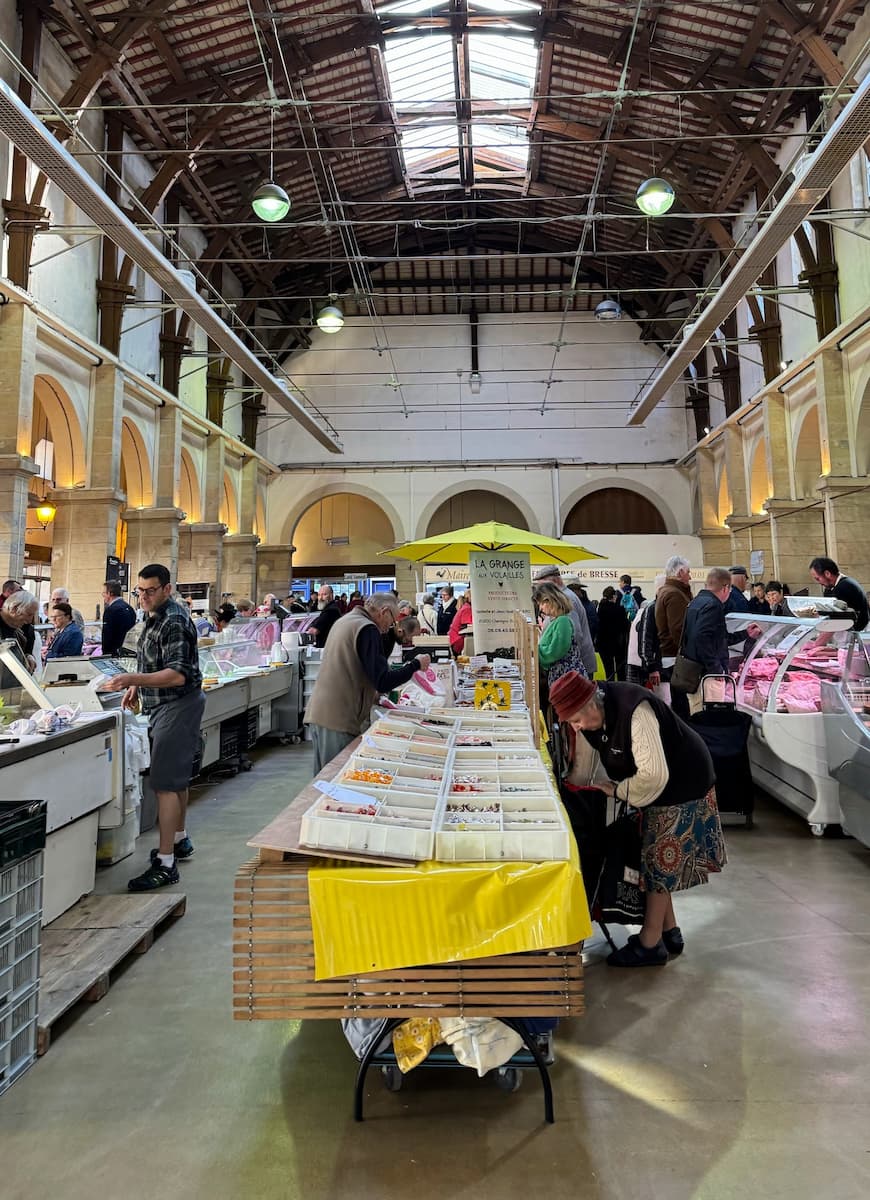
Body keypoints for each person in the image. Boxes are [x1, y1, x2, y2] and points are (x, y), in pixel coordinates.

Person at [550, 670, 726, 966]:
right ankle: (669, 930)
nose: (577, 728)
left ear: (593, 705)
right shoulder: (595, 714)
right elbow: (586, 768)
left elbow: (654, 774)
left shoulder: (635, 710)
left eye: (578, 720)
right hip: (659, 782)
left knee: (660, 862)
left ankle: (650, 944)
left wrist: (619, 791)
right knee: (651, 853)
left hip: (684, 779)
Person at [101, 564, 205, 891]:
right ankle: (179, 838)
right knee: (176, 779)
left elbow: (177, 674)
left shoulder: (174, 620)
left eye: (150, 591)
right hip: (164, 703)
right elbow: (156, 663)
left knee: (164, 784)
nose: (143, 596)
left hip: (178, 704)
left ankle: (165, 862)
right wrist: (139, 688)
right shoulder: (154, 616)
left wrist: (131, 679)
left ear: (167, 589)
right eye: (139, 591)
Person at [304, 594, 432, 773]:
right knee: (336, 778)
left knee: (323, 778)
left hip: (320, 712)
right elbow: (383, 681)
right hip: (339, 717)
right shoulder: (367, 629)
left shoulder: (347, 620)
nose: (390, 627)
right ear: (384, 612)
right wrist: (415, 665)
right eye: (392, 620)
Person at [679, 567, 732, 713]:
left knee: (697, 715)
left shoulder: (696, 602)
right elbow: (701, 637)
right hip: (707, 676)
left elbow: (716, 637)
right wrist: (716, 668)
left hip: (692, 673)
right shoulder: (713, 605)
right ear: (726, 587)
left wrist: (745, 634)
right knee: (710, 719)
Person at [532, 565, 596, 676]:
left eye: (543, 585)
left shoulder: (566, 600)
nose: (540, 590)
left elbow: (575, 635)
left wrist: (538, 652)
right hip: (567, 671)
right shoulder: (560, 606)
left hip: (569, 674)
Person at [655, 555, 693, 718]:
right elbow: (678, 629)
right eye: (688, 572)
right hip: (674, 656)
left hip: (669, 654)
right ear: (681, 572)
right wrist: (689, 653)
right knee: (680, 703)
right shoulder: (675, 594)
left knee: (677, 700)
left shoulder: (667, 590)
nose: (690, 576)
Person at [533, 582, 588, 685]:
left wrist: (534, 651)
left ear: (550, 600)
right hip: (564, 676)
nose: (540, 608)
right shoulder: (558, 620)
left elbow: (554, 652)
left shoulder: (562, 622)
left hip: (567, 679)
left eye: (541, 603)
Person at [626, 574, 665, 688]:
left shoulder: (644, 612)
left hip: (638, 661)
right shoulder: (652, 610)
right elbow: (645, 640)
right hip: (643, 664)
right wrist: (652, 666)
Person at [808, 556, 869, 631]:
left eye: (818, 578)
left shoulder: (845, 586)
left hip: (857, 630)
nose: (819, 582)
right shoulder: (832, 587)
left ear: (827, 573)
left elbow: (838, 620)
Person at [0, 589, 40, 672]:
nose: (29, 620)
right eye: (29, 614)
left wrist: (28, 657)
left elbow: (25, 651)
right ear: (14, 608)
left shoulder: (22, 631)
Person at [595, 586, 629, 681]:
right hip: (618, 644)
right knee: (621, 670)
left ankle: (610, 689)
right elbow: (625, 626)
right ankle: (621, 689)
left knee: (608, 670)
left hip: (603, 644)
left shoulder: (599, 609)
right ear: (614, 596)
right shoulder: (620, 610)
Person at [101, 580, 137, 655]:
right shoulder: (130, 608)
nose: (103, 595)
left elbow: (107, 636)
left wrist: (105, 654)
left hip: (113, 654)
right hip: (128, 652)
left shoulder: (111, 610)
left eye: (104, 593)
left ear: (110, 593)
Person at [449, 592, 473, 657]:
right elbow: (468, 626)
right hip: (458, 640)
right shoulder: (467, 608)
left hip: (454, 639)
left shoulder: (464, 607)